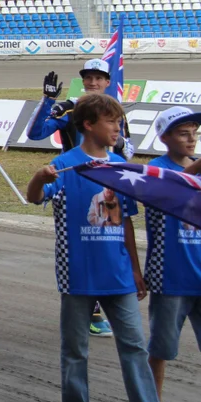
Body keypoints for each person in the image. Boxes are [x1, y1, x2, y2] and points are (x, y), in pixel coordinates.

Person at [26, 94, 163, 402]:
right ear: (88, 125)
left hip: (119, 277)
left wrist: (135, 269)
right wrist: (37, 179)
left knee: (135, 350)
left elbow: (127, 220)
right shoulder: (64, 165)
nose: (118, 128)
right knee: (75, 354)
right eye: (111, 121)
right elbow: (33, 198)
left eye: (119, 121)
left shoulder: (120, 167)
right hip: (77, 276)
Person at [29, 58, 132, 337]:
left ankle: (104, 300)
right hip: (73, 181)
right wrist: (49, 100)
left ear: (108, 82)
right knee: (83, 239)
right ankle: (91, 309)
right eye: (89, 77)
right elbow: (35, 133)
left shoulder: (115, 112)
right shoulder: (71, 109)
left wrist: (119, 143)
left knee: (109, 241)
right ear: (83, 80)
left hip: (108, 183)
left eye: (99, 78)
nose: (93, 82)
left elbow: (128, 151)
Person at [143, 106, 201, 402]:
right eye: (183, 132)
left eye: (195, 132)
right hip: (170, 275)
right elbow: (167, 190)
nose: (192, 138)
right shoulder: (155, 168)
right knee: (162, 349)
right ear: (164, 137)